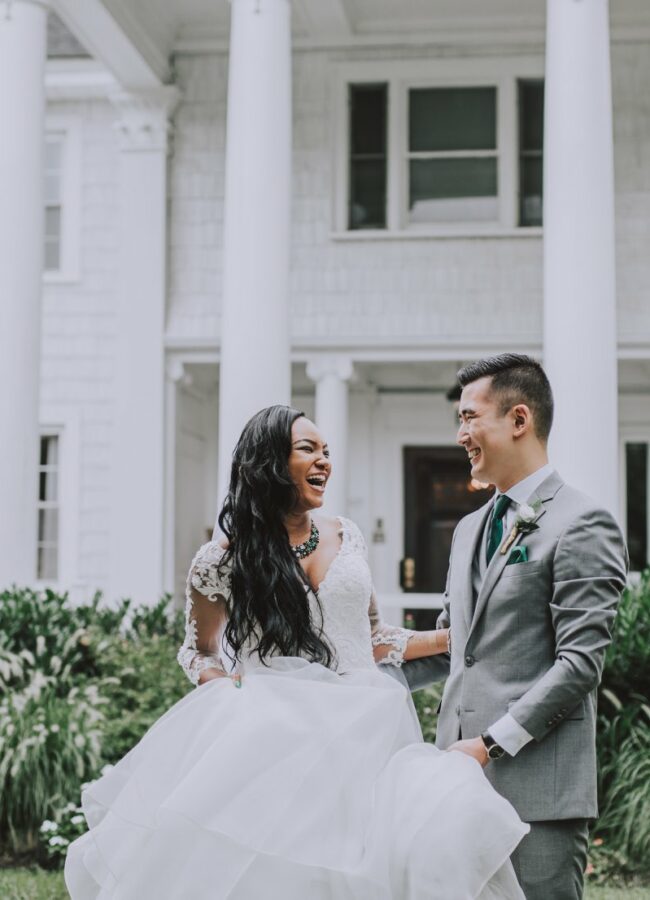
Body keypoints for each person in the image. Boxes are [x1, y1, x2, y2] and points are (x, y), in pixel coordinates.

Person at [65, 404, 528, 899]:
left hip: (365, 729)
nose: (325, 460)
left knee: (387, 848)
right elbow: (197, 651)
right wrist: (225, 692)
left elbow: (370, 639)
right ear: (268, 462)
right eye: (308, 449)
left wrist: (449, 640)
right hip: (271, 738)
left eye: (327, 451)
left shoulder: (346, 534)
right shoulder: (222, 558)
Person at [402, 354, 628, 900]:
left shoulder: (582, 522)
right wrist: (344, 681)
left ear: (519, 419)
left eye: (469, 417)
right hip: (456, 786)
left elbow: (579, 665)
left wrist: (489, 745)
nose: (460, 435)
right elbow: (458, 648)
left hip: (537, 796)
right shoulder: (467, 530)